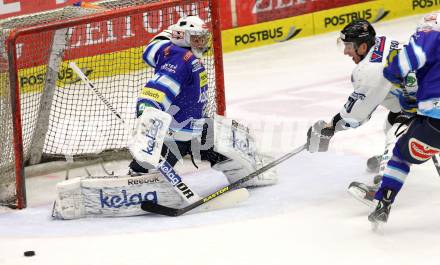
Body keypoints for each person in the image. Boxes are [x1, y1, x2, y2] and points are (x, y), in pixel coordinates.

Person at [128, 15, 277, 188]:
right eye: (196, 39)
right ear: (183, 38)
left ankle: (243, 173)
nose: (202, 43)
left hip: (195, 127)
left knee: (225, 148)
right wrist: (146, 112)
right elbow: (157, 90)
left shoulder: (168, 49)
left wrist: (173, 31)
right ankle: (136, 183)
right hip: (177, 134)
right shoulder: (182, 61)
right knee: (148, 170)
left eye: (202, 38)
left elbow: (151, 49)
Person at [305, 19, 416, 205]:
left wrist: (330, 128)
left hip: (430, 102)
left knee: (396, 133)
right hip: (421, 94)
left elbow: (356, 115)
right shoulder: (382, 41)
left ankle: (383, 191)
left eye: (349, 46)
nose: (346, 51)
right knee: (392, 121)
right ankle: (393, 161)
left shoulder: (371, 70)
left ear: (363, 46)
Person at [368, 13, 440, 225]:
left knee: (400, 155)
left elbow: (409, 59)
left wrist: (392, 71)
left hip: (435, 121)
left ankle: (383, 203)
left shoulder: (431, 34)